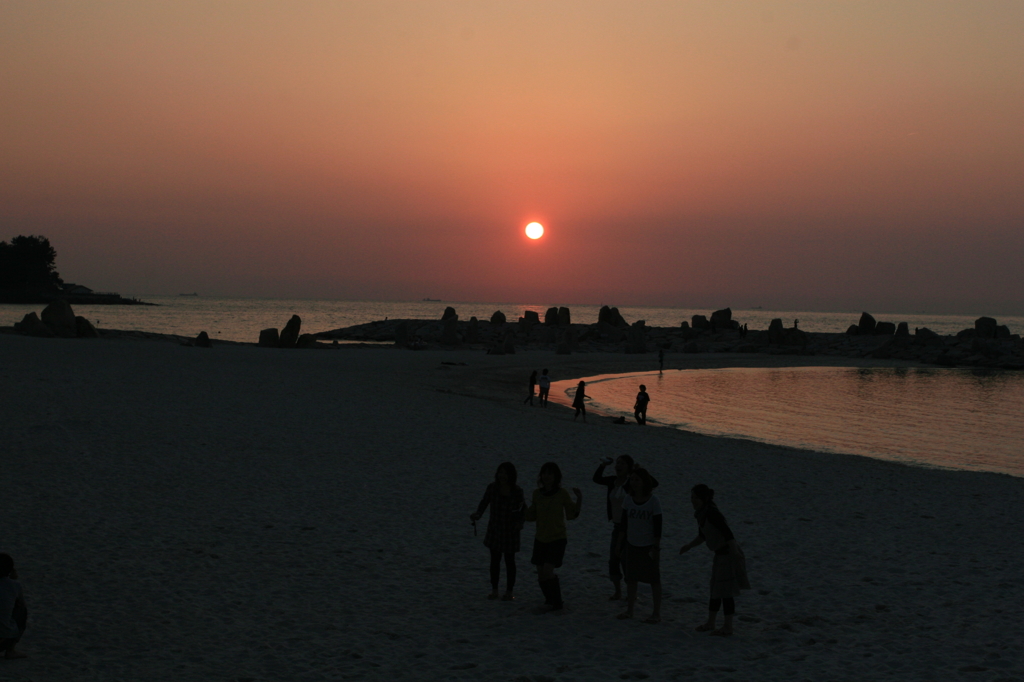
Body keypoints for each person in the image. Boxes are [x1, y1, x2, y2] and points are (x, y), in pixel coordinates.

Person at [679, 484, 750, 636]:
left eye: (696, 498)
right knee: (715, 590)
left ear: (704, 498)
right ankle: (711, 622)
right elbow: (703, 536)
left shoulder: (711, 513)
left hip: (728, 554)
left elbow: (728, 533)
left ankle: (728, 627)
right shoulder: (702, 514)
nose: (693, 501)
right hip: (720, 555)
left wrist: (735, 554)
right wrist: (688, 546)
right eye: (691, 497)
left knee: (725, 591)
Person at [524, 462, 582, 612]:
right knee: (541, 574)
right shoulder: (537, 494)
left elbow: (571, 514)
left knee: (548, 571)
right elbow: (531, 515)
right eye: (544, 473)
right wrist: (520, 511)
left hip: (557, 538)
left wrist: (579, 499)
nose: (546, 476)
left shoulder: (562, 493)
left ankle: (557, 603)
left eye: (550, 473)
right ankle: (549, 600)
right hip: (540, 538)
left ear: (556, 476)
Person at [470, 463, 526, 601]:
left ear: (511, 475)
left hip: (510, 531)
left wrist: (520, 523)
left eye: (505, 473)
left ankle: (509, 591)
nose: (502, 475)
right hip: (495, 529)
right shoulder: (492, 488)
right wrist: (478, 514)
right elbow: (484, 503)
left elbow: (523, 509)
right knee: (495, 561)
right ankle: (494, 590)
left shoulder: (517, 491)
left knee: (509, 561)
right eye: (500, 472)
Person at [616, 468, 662, 623]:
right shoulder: (628, 499)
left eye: (638, 480)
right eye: (632, 480)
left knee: (654, 580)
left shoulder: (653, 501)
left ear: (644, 482)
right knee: (631, 579)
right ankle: (630, 610)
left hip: (648, 546)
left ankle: (656, 613)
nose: (634, 483)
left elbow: (658, 527)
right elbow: (623, 525)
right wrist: (619, 545)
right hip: (631, 544)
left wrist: (656, 547)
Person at [592, 455, 635, 599]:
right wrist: (603, 465)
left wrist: (638, 472)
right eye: (617, 463)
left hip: (631, 527)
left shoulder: (632, 483)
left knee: (626, 561)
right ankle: (618, 591)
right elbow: (596, 479)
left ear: (629, 467)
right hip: (617, 526)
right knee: (613, 560)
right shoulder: (612, 481)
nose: (618, 466)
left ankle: (631, 592)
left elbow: (653, 483)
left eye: (622, 463)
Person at [0, 553, 27, 659]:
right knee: (21, 610)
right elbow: (21, 604)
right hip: (4, 640)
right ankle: (11, 649)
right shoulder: (15, 585)